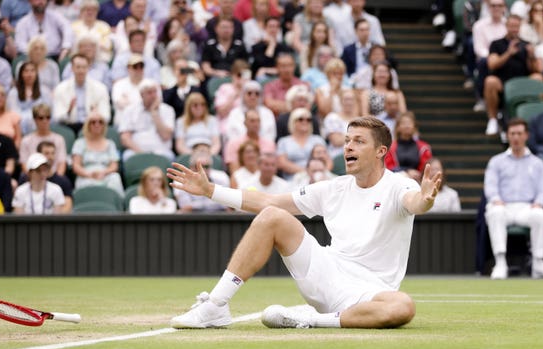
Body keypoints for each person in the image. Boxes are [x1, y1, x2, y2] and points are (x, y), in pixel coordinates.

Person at [167, 116, 442, 329]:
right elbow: (268, 202)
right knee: (272, 216)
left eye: (358, 141)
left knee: (403, 306)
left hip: (369, 292)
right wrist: (210, 190)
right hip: (325, 272)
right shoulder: (333, 188)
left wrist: (426, 198)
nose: (348, 146)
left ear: (381, 151)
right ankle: (215, 305)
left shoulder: (398, 186)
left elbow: (414, 202)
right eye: (347, 140)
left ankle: (312, 319)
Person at [484, 117, 543, 279]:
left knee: (540, 215)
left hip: (527, 208)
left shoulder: (538, 163)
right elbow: (490, 187)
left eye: (519, 133)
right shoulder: (496, 161)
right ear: (508, 136)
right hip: (504, 207)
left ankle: (538, 262)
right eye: (512, 133)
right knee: (494, 211)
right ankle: (500, 263)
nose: (516, 137)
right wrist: (496, 199)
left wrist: (539, 203)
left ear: (526, 135)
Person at [484, 14, 538, 135]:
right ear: (506, 26)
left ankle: (534, 119)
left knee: (538, 78)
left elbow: (534, 70)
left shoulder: (526, 45)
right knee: (490, 81)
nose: (514, 29)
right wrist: (508, 53)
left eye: (516, 26)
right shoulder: (496, 44)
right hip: (503, 82)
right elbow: (492, 64)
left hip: (522, 83)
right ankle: (492, 120)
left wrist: (531, 56)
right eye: (512, 26)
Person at [52, 53, 111, 133]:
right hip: (68, 126)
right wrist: (69, 111)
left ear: (88, 68)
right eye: (78, 67)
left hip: (92, 126)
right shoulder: (61, 89)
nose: (81, 71)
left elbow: (106, 116)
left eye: (84, 67)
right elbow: (57, 117)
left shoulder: (100, 88)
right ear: (72, 68)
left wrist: (96, 115)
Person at [119, 79, 176, 161]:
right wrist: (141, 153)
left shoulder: (168, 110)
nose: (153, 95)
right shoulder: (130, 110)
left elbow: (166, 136)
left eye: (155, 92)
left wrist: (155, 113)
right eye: (149, 93)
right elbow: (125, 138)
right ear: (142, 95)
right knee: (127, 156)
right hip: (136, 152)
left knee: (169, 157)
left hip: (162, 152)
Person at [71, 111, 124, 197]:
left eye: (100, 122)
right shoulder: (79, 143)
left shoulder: (110, 144)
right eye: (93, 122)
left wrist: (104, 173)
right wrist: (88, 174)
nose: (97, 124)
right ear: (88, 125)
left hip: (106, 174)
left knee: (115, 178)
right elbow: (76, 165)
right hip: (86, 175)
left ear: (104, 125)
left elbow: (114, 165)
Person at [173, 145, 231, 212]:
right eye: (199, 167)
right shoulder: (181, 179)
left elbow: (226, 206)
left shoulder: (222, 177)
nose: (203, 170)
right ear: (191, 167)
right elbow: (185, 207)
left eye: (206, 166)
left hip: (218, 218)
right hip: (191, 218)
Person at [277, 107, 326, 180]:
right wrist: (306, 171)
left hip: (317, 178)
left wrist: (321, 171)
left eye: (308, 120)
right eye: (300, 119)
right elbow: (282, 163)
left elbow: (328, 161)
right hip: (292, 179)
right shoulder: (283, 141)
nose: (305, 122)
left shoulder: (318, 140)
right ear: (293, 122)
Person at [19, 104, 67, 176]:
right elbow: (24, 165)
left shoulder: (59, 139)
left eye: (48, 117)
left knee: (65, 182)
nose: (45, 121)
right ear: (35, 119)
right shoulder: (26, 141)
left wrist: (56, 179)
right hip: (33, 177)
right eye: (41, 118)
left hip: (54, 176)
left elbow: (62, 164)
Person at [7, 61, 52, 135]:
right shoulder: (14, 92)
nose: (29, 74)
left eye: (32, 71)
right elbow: (14, 113)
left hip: (41, 126)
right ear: (21, 74)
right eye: (26, 71)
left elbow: (48, 110)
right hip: (20, 129)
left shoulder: (44, 91)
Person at [384, 112, 432, 182]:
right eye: (403, 123)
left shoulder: (424, 147)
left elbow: (427, 167)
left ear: (414, 127)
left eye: (409, 123)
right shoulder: (390, 147)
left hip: (418, 181)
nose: (407, 126)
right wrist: (407, 171)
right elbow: (388, 168)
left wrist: (418, 175)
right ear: (398, 127)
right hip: (396, 181)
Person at [224, 108, 276, 173]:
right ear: (245, 123)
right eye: (252, 121)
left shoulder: (269, 144)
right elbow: (234, 171)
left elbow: (272, 168)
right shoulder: (233, 144)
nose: (256, 124)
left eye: (258, 121)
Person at [322, 88, 361, 159]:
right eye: (346, 99)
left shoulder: (360, 121)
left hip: (357, 157)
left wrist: (344, 137)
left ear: (355, 101)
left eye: (351, 99)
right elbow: (336, 141)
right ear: (340, 101)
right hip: (337, 157)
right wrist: (358, 137)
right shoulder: (332, 117)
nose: (349, 102)